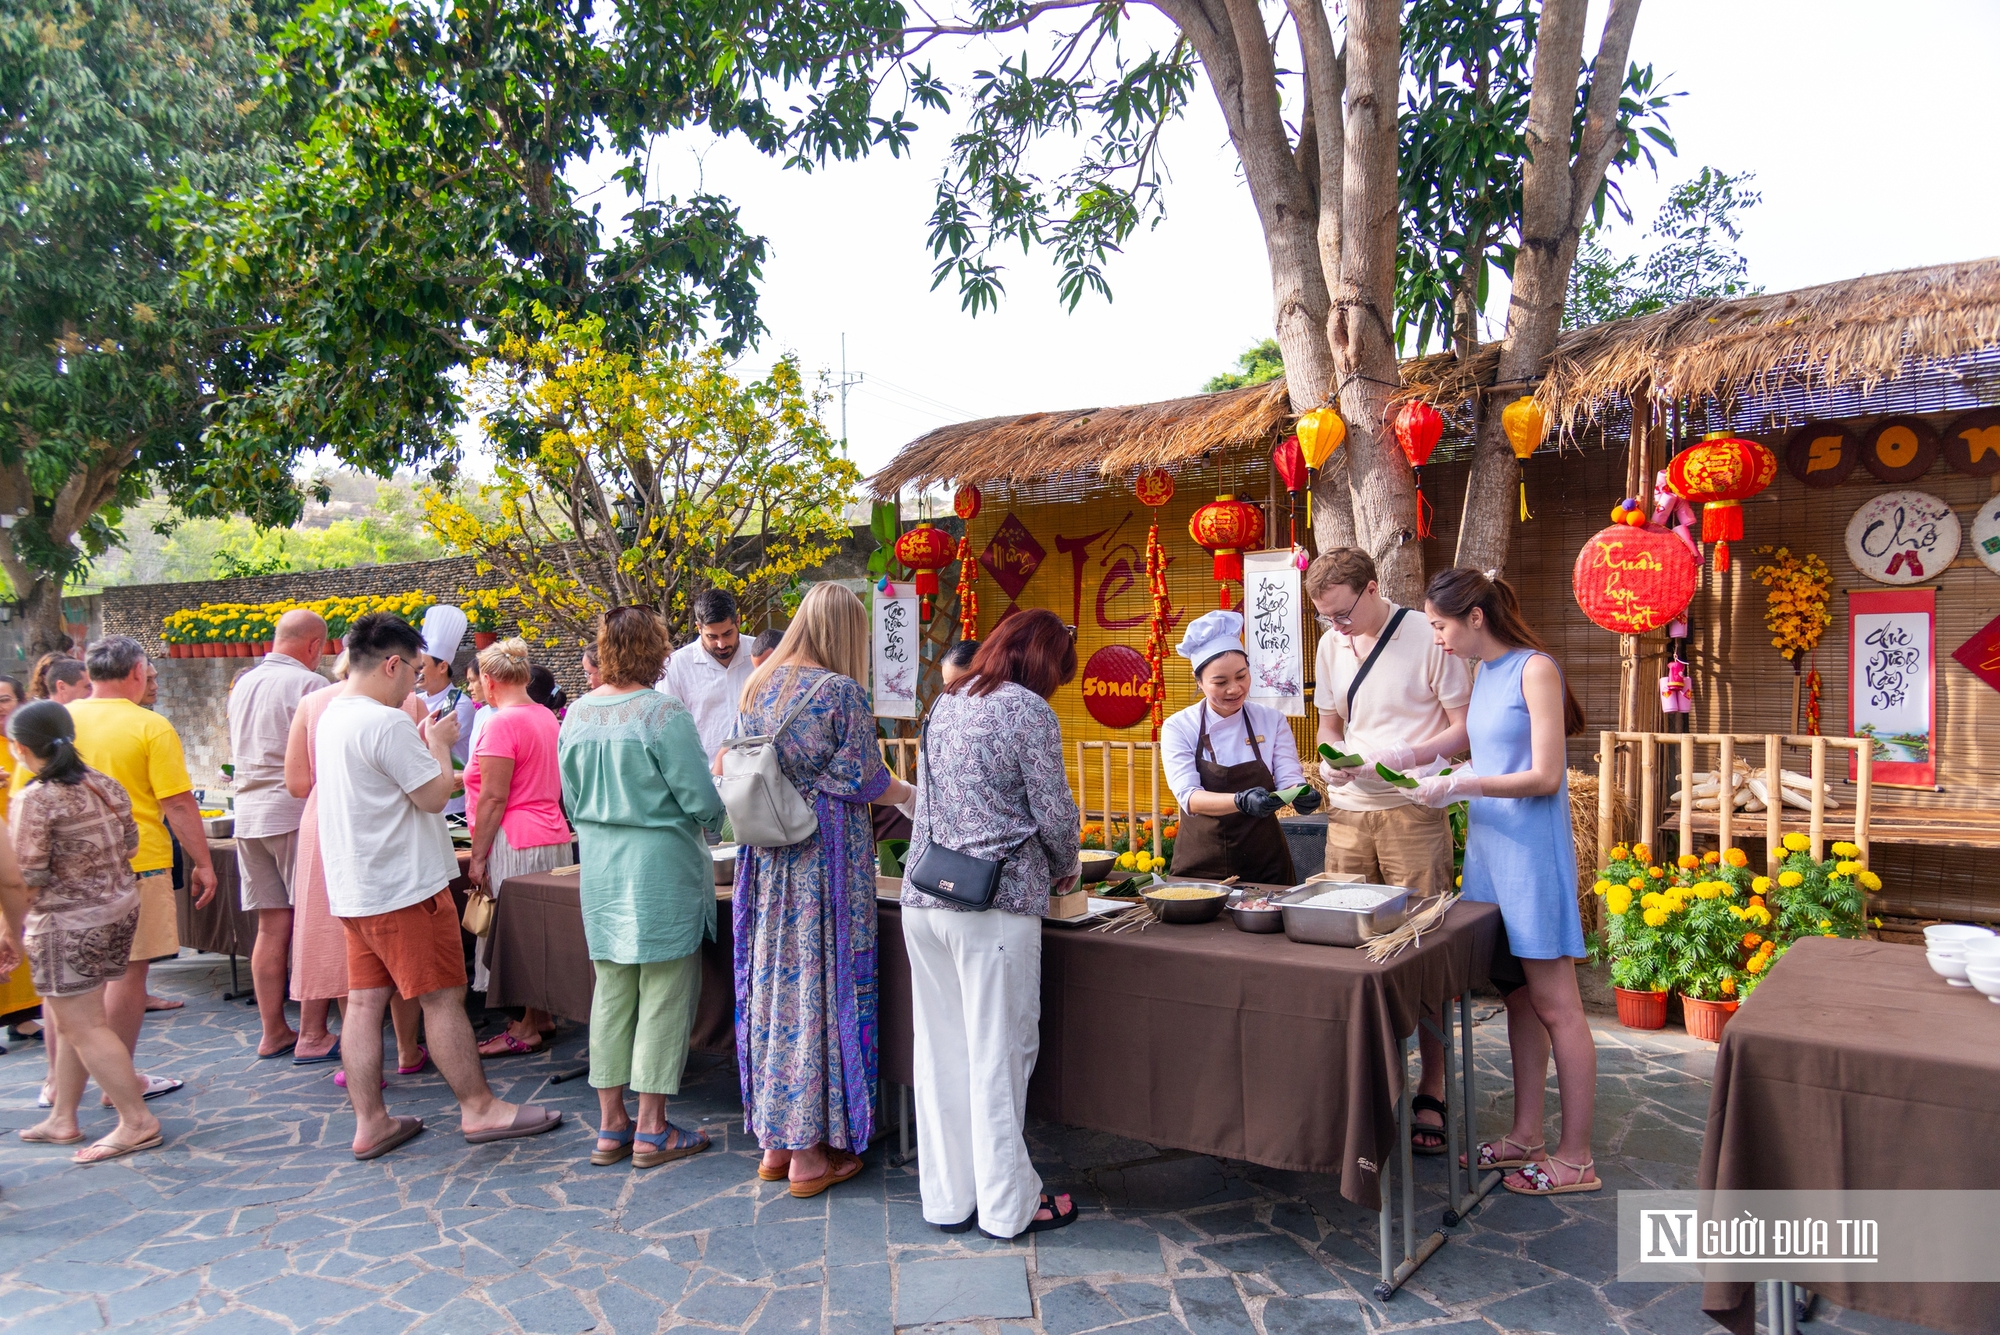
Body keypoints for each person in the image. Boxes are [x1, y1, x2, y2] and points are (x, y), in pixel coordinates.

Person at [314, 612, 561, 1159]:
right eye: (415, 672)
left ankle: (371, 1121)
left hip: (356, 887)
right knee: (444, 999)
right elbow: (429, 796)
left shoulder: (332, 716)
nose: (417, 684)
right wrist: (437, 741)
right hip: (404, 886)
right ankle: (478, 1107)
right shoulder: (384, 722)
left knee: (362, 1005)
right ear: (392, 663)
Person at [1415, 567, 1597, 1196]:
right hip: (1491, 854)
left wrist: (1461, 782)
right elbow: (1469, 737)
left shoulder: (1534, 669)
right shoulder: (1485, 672)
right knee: (1518, 995)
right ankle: (1526, 1136)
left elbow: (1546, 776)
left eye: (1439, 625)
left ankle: (1576, 1158)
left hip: (1530, 855)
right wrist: (1398, 761)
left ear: (1474, 617)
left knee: (1558, 1006)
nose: (1436, 637)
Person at [729, 584, 914, 1197]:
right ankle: (811, 1155)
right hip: (825, 861)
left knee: (775, 988)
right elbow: (865, 779)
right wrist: (913, 795)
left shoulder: (757, 686)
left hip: (768, 857)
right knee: (821, 987)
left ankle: (776, 1145)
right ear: (846, 633)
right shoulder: (839, 692)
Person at [901, 610, 1082, 1239]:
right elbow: (1054, 813)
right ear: (1044, 663)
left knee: (942, 1056)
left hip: (924, 898)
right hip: (995, 903)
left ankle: (949, 1200)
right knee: (999, 1057)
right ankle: (1009, 1208)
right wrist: (1067, 867)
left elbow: (926, 803)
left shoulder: (946, 700)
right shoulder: (1028, 711)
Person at [1308, 548, 1470, 1154]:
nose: (1337, 628)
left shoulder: (1428, 637)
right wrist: (1330, 758)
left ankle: (1433, 1083)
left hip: (1412, 808)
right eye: (1326, 618)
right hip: (1349, 811)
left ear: (1374, 588)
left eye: (1343, 614)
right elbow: (1329, 724)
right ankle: (1362, 1078)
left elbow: (1463, 727)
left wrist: (1402, 758)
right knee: (1343, 941)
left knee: (1423, 944)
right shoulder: (1330, 647)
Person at [561, 606, 727, 1169]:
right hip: (659, 866)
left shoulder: (578, 713)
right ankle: (652, 1128)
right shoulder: (663, 714)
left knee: (610, 991)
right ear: (657, 652)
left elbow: (570, 796)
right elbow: (703, 802)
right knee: (663, 993)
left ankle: (611, 1127)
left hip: (602, 865)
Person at [3, 703, 164, 1163]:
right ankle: (63, 1117)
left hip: (66, 924)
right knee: (78, 1019)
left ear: (20, 747)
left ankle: (137, 1121)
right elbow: (131, 842)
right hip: (116, 912)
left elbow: (26, 875)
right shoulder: (100, 781)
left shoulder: (36, 797)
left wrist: (10, 930)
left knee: (82, 1024)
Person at [69, 635, 213, 1103]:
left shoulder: (60, 721)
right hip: (138, 864)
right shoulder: (150, 726)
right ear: (135, 673)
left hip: (70, 867)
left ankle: (62, 1090)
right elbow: (176, 801)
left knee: (75, 978)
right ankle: (119, 1081)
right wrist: (203, 863)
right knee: (129, 975)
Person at [284, 653, 427, 1077]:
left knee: (345, 946)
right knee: (402, 943)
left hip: (326, 823)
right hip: (387, 822)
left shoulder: (314, 705)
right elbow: (419, 778)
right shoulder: (406, 705)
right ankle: (406, 1049)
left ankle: (358, 1061)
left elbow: (296, 784)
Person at [226, 610, 331, 1058]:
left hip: (247, 814)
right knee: (312, 922)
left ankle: (274, 1031)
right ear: (313, 646)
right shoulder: (311, 686)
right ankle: (311, 1033)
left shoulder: (244, 682)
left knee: (271, 927)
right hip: (293, 813)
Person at [464, 639, 572, 1056]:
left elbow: (494, 796)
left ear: (489, 682)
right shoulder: (546, 716)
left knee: (514, 933)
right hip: (551, 830)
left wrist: (477, 856)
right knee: (540, 930)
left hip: (514, 834)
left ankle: (525, 1025)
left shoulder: (500, 722)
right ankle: (539, 1015)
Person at [1158, 609, 1316, 885]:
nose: (1234, 689)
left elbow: (1289, 777)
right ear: (1199, 682)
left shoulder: (1271, 720)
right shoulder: (1179, 727)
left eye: (1242, 676)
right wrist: (1240, 801)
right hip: (1201, 864)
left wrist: (1301, 795)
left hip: (1265, 862)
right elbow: (1189, 797)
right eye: (1220, 682)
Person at [659, 588, 756, 762]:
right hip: (706, 778)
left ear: (738, 621)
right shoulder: (676, 666)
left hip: (761, 774)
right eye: (712, 636)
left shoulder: (762, 655)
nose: (721, 644)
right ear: (698, 628)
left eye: (727, 634)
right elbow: (667, 731)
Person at [416, 604, 478, 817]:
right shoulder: (416, 699)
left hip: (453, 801)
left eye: (422, 666)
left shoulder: (458, 704)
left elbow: (431, 741)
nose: (417, 672)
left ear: (442, 667)